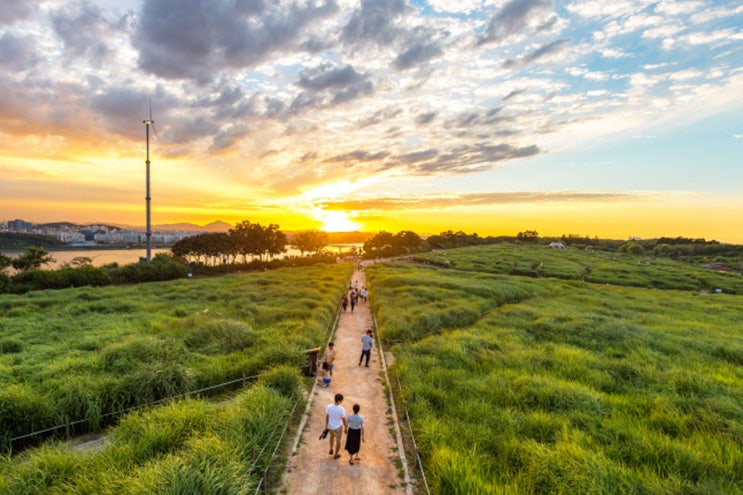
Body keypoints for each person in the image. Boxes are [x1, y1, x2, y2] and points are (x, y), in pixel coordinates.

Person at [325, 393, 346, 459]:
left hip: (331, 426)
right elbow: (343, 419)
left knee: (331, 437)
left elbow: (327, 417)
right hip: (338, 427)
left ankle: (331, 449)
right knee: (338, 441)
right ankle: (336, 454)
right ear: (339, 401)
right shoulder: (341, 409)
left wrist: (326, 426)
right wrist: (346, 427)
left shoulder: (329, 406)